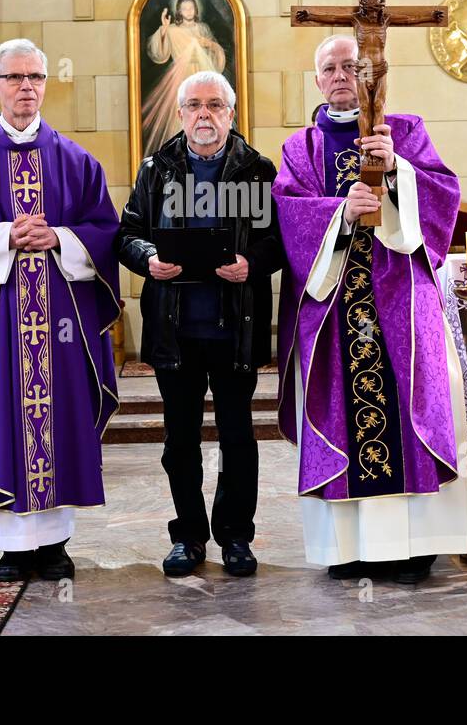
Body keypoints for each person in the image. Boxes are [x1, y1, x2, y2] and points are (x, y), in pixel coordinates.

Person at [273, 34, 467, 584]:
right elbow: (290, 211)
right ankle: (351, 547)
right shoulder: (301, 147)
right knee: (344, 408)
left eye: (351, 67)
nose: (340, 76)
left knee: (410, 407)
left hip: (401, 301)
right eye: (329, 68)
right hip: (336, 305)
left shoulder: (403, 131)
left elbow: (445, 193)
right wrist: (340, 211)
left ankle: (414, 547)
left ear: (372, 75)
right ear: (316, 80)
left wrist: (398, 175)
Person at [0, 39, 121, 583]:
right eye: (14, 78)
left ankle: (55, 544)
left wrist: (60, 237)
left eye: (35, 77)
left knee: (59, 419)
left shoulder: (77, 162)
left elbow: (105, 232)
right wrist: (0, 237)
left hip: (60, 327)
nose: (26, 88)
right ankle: (11, 546)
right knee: (0, 421)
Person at [117, 70, 283, 578]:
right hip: (175, 329)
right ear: (181, 113)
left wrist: (251, 264)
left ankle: (236, 537)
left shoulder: (257, 170)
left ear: (231, 114)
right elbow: (128, 233)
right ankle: (188, 536)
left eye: (215, 105)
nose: (204, 114)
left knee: (238, 437)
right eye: (194, 105)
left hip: (235, 326)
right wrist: (148, 259)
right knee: (180, 439)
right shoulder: (156, 169)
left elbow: (280, 241)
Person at [141, 0, 227, 159]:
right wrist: (164, 29)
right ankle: (180, 155)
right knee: (181, 116)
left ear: (195, 9)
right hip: (181, 78)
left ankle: (209, 152)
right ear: (179, 11)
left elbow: (214, 52)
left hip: (203, 74)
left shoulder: (202, 29)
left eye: (190, 7)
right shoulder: (173, 30)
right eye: (184, 8)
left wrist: (208, 44)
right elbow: (159, 54)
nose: (188, 11)